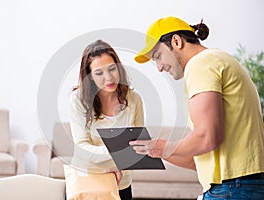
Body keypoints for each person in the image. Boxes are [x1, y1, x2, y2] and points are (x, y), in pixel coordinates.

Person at [130, 16, 264, 199]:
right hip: (239, 185)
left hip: (232, 188)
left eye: (158, 56)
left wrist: (164, 147)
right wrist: (156, 150)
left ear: (176, 41)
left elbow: (207, 137)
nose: (159, 68)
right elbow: (200, 158)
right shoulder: (216, 60)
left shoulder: (201, 63)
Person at [68, 39, 144, 200]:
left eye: (112, 69)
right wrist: (118, 155)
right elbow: (82, 147)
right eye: (99, 73)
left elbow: (138, 147)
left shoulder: (134, 99)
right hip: (88, 181)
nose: (108, 77)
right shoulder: (78, 99)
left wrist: (120, 167)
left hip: (120, 184)